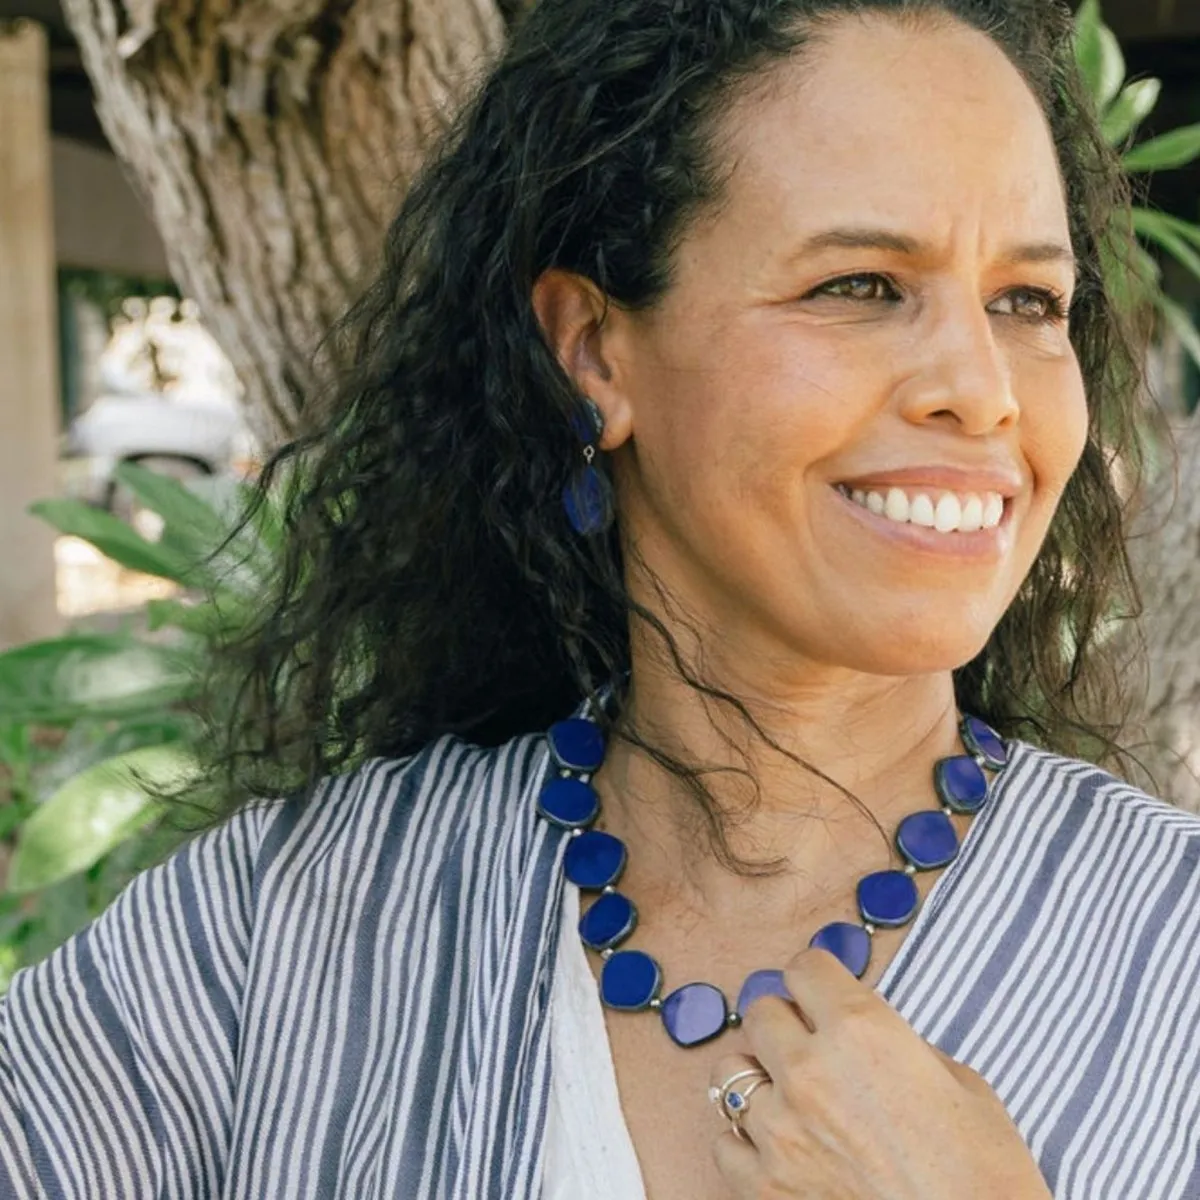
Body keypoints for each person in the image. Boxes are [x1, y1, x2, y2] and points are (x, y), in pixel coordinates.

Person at [1, 0, 1194, 1196]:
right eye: (862, 285)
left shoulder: (1169, 949)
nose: (982, 391)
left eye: (1028, 302)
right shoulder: (282, 932)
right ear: (593, 352)